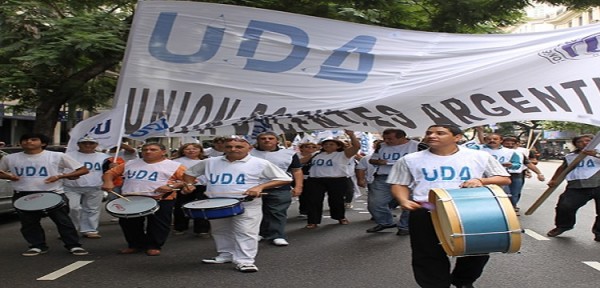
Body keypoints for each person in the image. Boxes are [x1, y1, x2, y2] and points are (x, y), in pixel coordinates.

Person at [388, 124, 510, 288]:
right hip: (428, 208)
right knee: (427, 253)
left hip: (470, 209)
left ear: (457, 138)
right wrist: (403, 200)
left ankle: (463, 281)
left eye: (440, 133)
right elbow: (398, 183)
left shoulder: (479, 156)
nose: (432, 136)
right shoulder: (410, 159)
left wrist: (481, 180)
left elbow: (504, 178)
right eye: (429, 133)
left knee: (476, 250)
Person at [182, 137, 292, 273]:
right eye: (229, 147)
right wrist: (189, 184)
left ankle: (245, 261)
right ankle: (225, 255)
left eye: (239, 147)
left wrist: (260, 187)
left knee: (246, 232)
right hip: (216, 202)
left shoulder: (260, 163)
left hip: (246, 202)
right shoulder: (210, 162)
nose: (233, 149)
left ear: (249, 148)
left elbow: (284, 178)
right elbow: (189, 173)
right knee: (220, 230)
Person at [0, 133, 90, 256]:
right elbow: (1, 172)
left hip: (53, 193)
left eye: (33, 139)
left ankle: (73, 245)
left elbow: (83, 169)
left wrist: (61, 176)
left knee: (63, 221)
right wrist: (9, 176)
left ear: (43, 143)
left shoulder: (56, 156)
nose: (28, 142)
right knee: (29, 223)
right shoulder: (10, 158)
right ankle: (37, 245)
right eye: (25, 140)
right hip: (23, 193)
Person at [102, 143, 187, 256]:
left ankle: (154, 245)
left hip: (161, 198)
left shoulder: (174, 166)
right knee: (129, 223)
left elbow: (188, 180)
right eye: (145, 149)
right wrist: (108, 182)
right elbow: (110, 173)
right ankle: (135, 245)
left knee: (158, 224)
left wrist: (172, 186)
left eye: (153, 149)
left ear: (163, 152)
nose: (148, 152)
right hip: (131, 198)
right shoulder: (130, 163)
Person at [367, 129, 426, 235]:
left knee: (409, 203)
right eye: (385, 138)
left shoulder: (418, 146)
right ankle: (385, 222)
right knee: (375, 203)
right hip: (384, 176)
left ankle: (405, 226)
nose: (386, 141)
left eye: (390, 139)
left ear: (402, 137)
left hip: (410, 177)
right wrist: (378, 161)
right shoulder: (381, 146)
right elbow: (372, 160)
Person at [251, 131, 303, 246]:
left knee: (277, 212)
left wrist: (298, 186)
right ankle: (260, 233)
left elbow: (296, 170)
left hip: (280, 186)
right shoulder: (248, 153)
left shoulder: (288, 153)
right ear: (258, 141)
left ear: (277, 141)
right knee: (256, 211)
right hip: (253, 187)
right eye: (263, 138)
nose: (267, 140)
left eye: (270, 138)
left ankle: (277, 235)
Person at [546, 134, 600, 242]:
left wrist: (597, 154)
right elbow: (562, 168)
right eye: (580, 141)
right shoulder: (571, 156)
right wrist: (554, 179)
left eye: (588, 140)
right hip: (577, 186)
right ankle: (563, 226)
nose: (584, 143)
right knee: (565, 206)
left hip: (598, 185)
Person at [304, 130, 360, 229]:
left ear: (338, 146)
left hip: (336, 180)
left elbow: (356, 147)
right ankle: (313, 221)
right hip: (315, 180)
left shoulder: (343, 154)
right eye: (325, 144)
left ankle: (340, 217)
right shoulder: (317, 154)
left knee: (336, 200)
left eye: (331, 144)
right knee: (313, 200)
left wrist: (351, 135)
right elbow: (301, 161)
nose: (328, 146)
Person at [63, 136, 109, 239]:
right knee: (72, 208)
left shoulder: (104, 157)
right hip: (72, 187)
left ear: (96, 145)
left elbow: (108, 172)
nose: (88, 145)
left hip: (95, 186)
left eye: (91, 143)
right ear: (78, 144)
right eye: (84, 143)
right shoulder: (68, 156)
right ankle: (70, 230)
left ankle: (89, 230)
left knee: (92, 209)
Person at [171, 143, 211, 237]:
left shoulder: (207, 161)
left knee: (202, 207)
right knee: (181, 207)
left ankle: (202, 229)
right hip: (183, 186)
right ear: (183, 151)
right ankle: (180, 227)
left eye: (194, 148)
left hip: (202, 186)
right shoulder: (176, 162)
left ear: (200, 150)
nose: (191, 151)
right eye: (188, 149)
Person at [501, 136, 545, 214]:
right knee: (504, 193)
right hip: (501, 176)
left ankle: (512, 207)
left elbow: (529, 163)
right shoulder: (495, 152)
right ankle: (505, 209)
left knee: (515, 193)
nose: (510, 145)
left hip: (516, 175)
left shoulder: (519, 154)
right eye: (507, 144)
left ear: (516, 145)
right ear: (502, 143)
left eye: (512, 144)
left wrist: (539, 173)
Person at [296, 142, 319, 217]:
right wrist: (312, 155)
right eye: (307, 147)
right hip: (301, 178)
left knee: (314, 195)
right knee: (304, 195)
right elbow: (299, 162)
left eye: (313, 147)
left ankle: (313, 211)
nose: (311, 149)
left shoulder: (319, 155)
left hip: (314, 177)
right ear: (301, 148)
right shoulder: (296, 156)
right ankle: (304, 211)